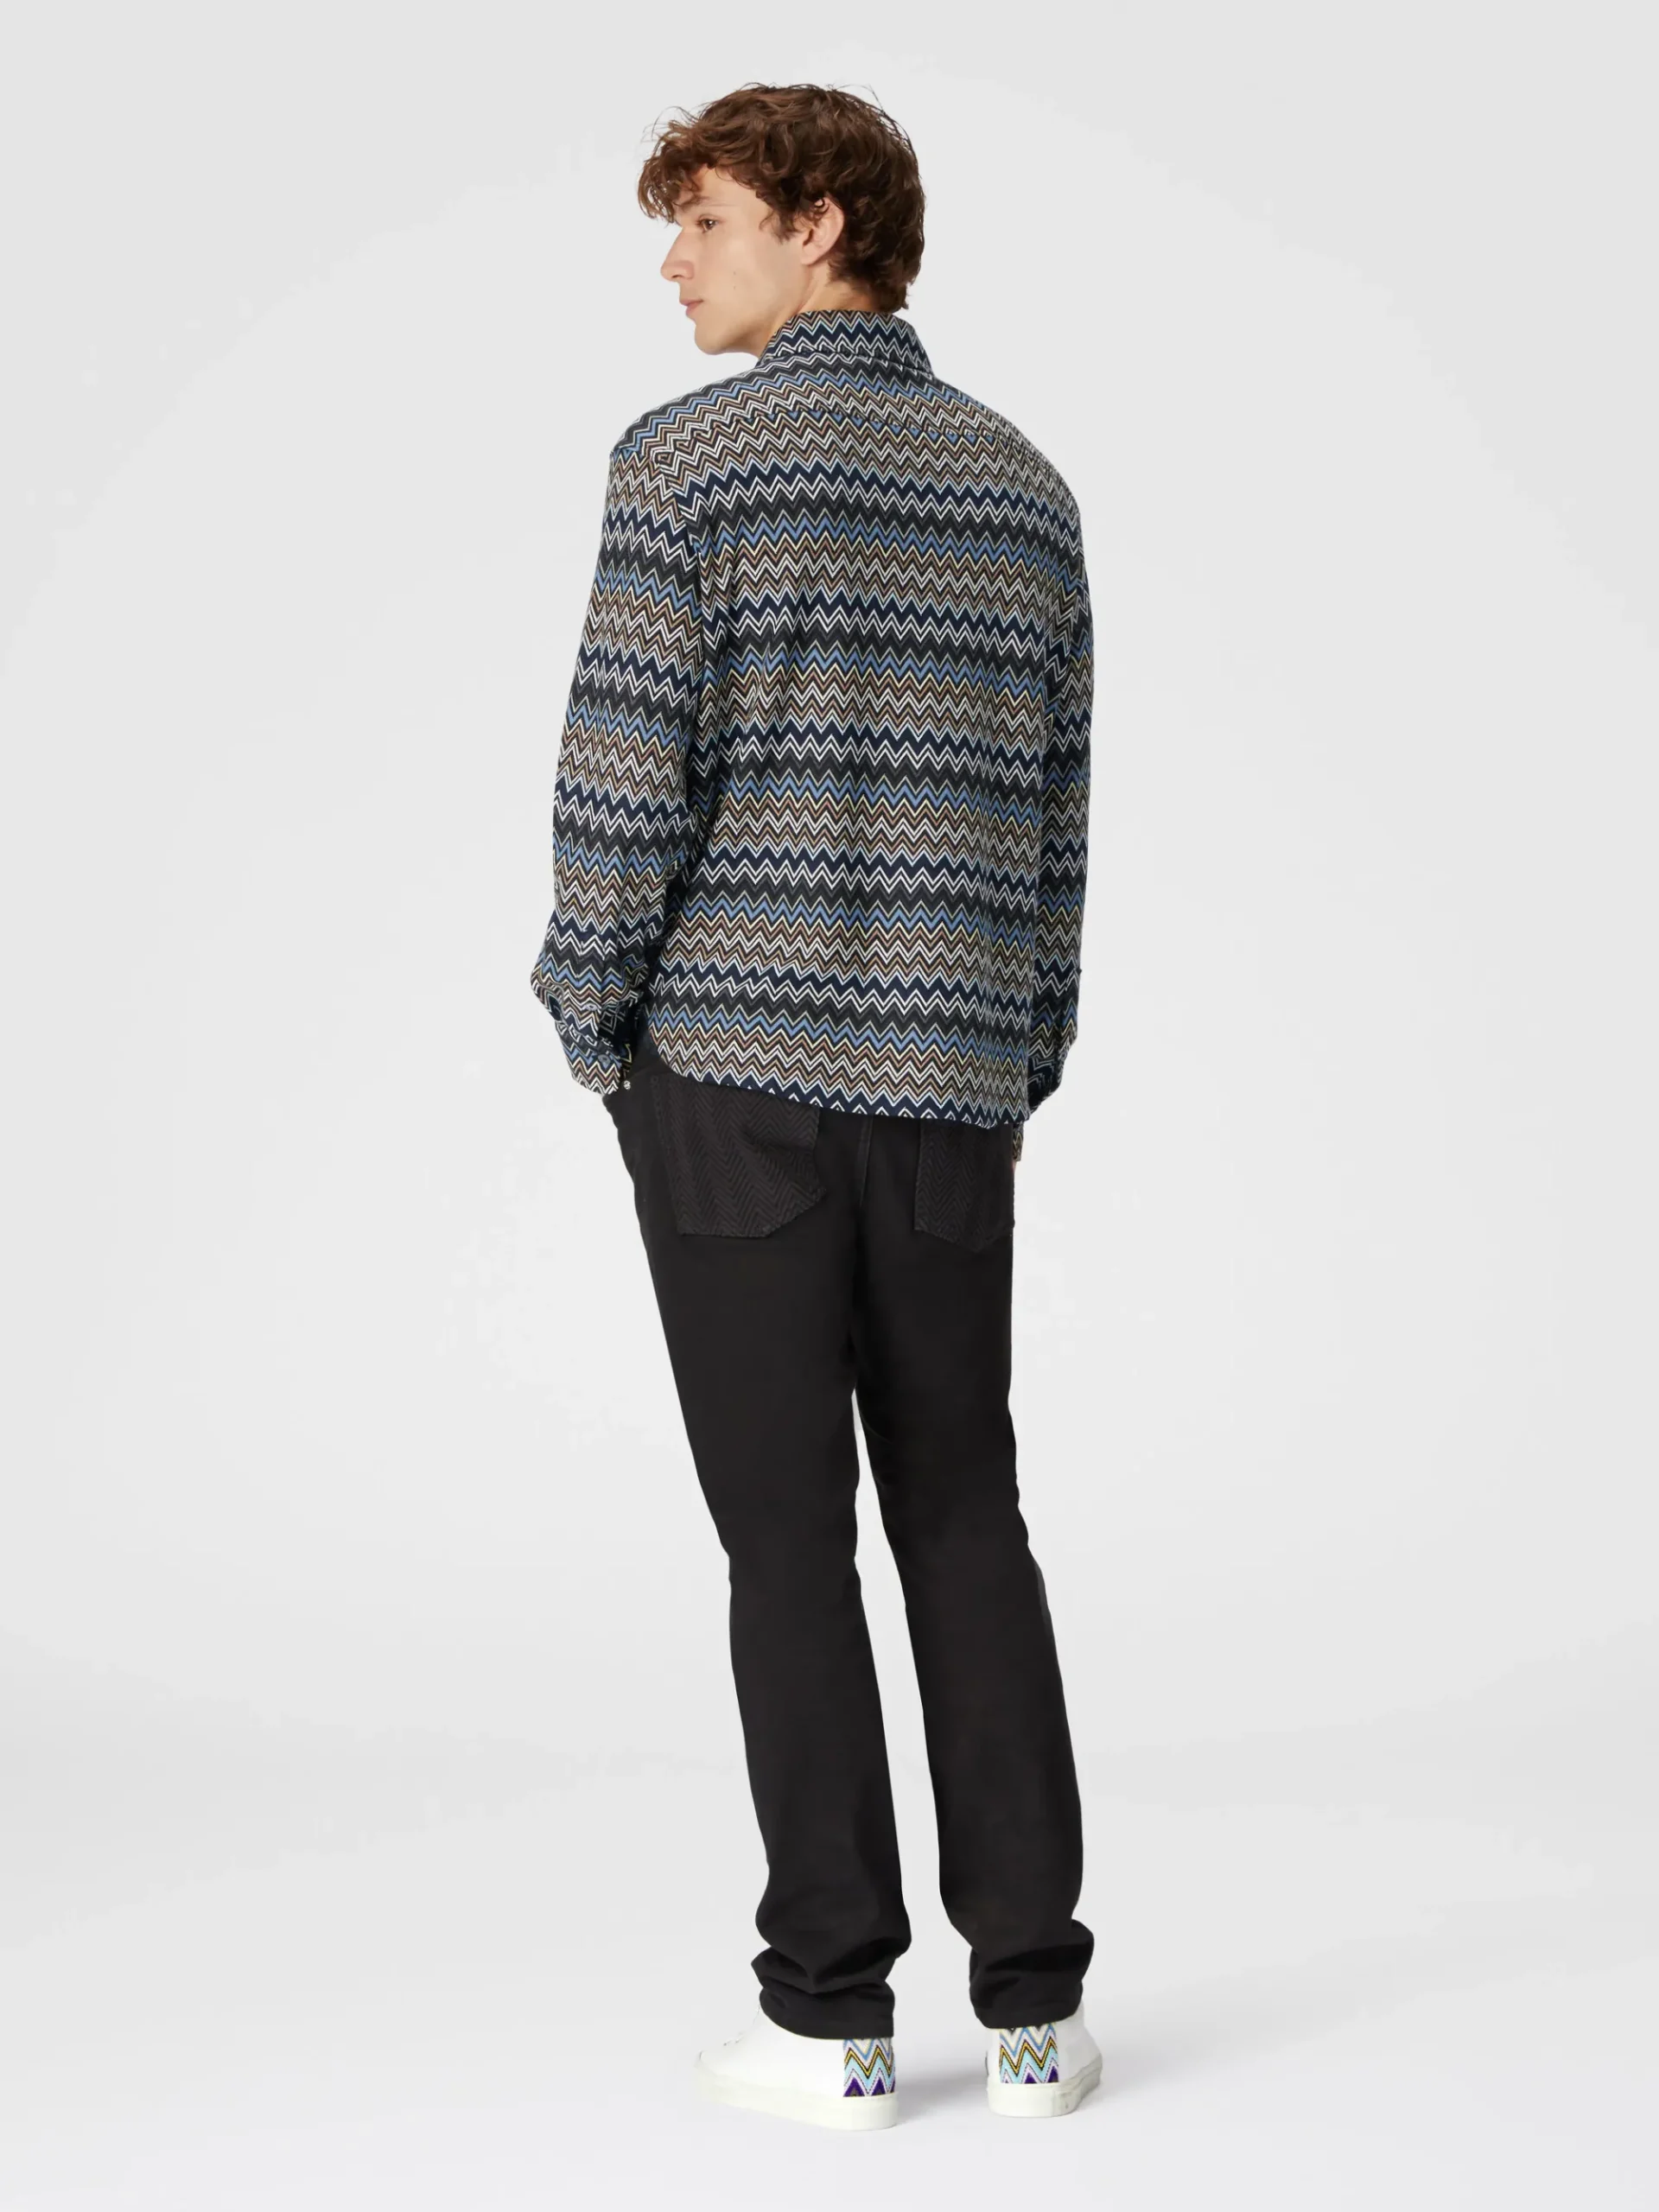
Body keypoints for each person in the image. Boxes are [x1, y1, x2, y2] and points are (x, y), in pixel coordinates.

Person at [528, 80, 1100, 2129]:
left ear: (821, 225)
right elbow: (1055, 832)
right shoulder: (1026, 490)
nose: (672, 260)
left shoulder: (687, 463)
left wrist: (596, 1021)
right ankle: (1034, 2014)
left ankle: (832, 2018)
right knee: (967, 1517)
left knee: (789, 1544)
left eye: (702, 219)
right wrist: (1012, 1054)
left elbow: (623, 779)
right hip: (951, 1094)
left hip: (735, 1095)